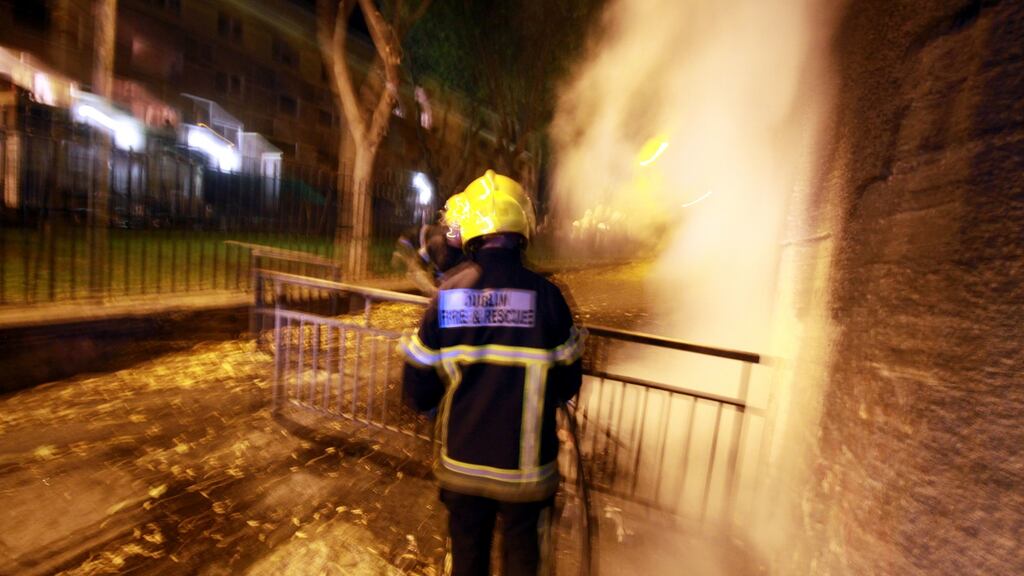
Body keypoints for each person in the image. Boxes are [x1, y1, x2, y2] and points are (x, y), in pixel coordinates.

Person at [400, 170, 586, 576]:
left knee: (467, 562)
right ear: (523, 230)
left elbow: (417, 386)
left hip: (462, 466)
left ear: (470, 232)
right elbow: (569, 381)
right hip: (527, 473)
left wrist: (437, 407)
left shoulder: (447, 296)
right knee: (524, 561)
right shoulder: (548, 298)